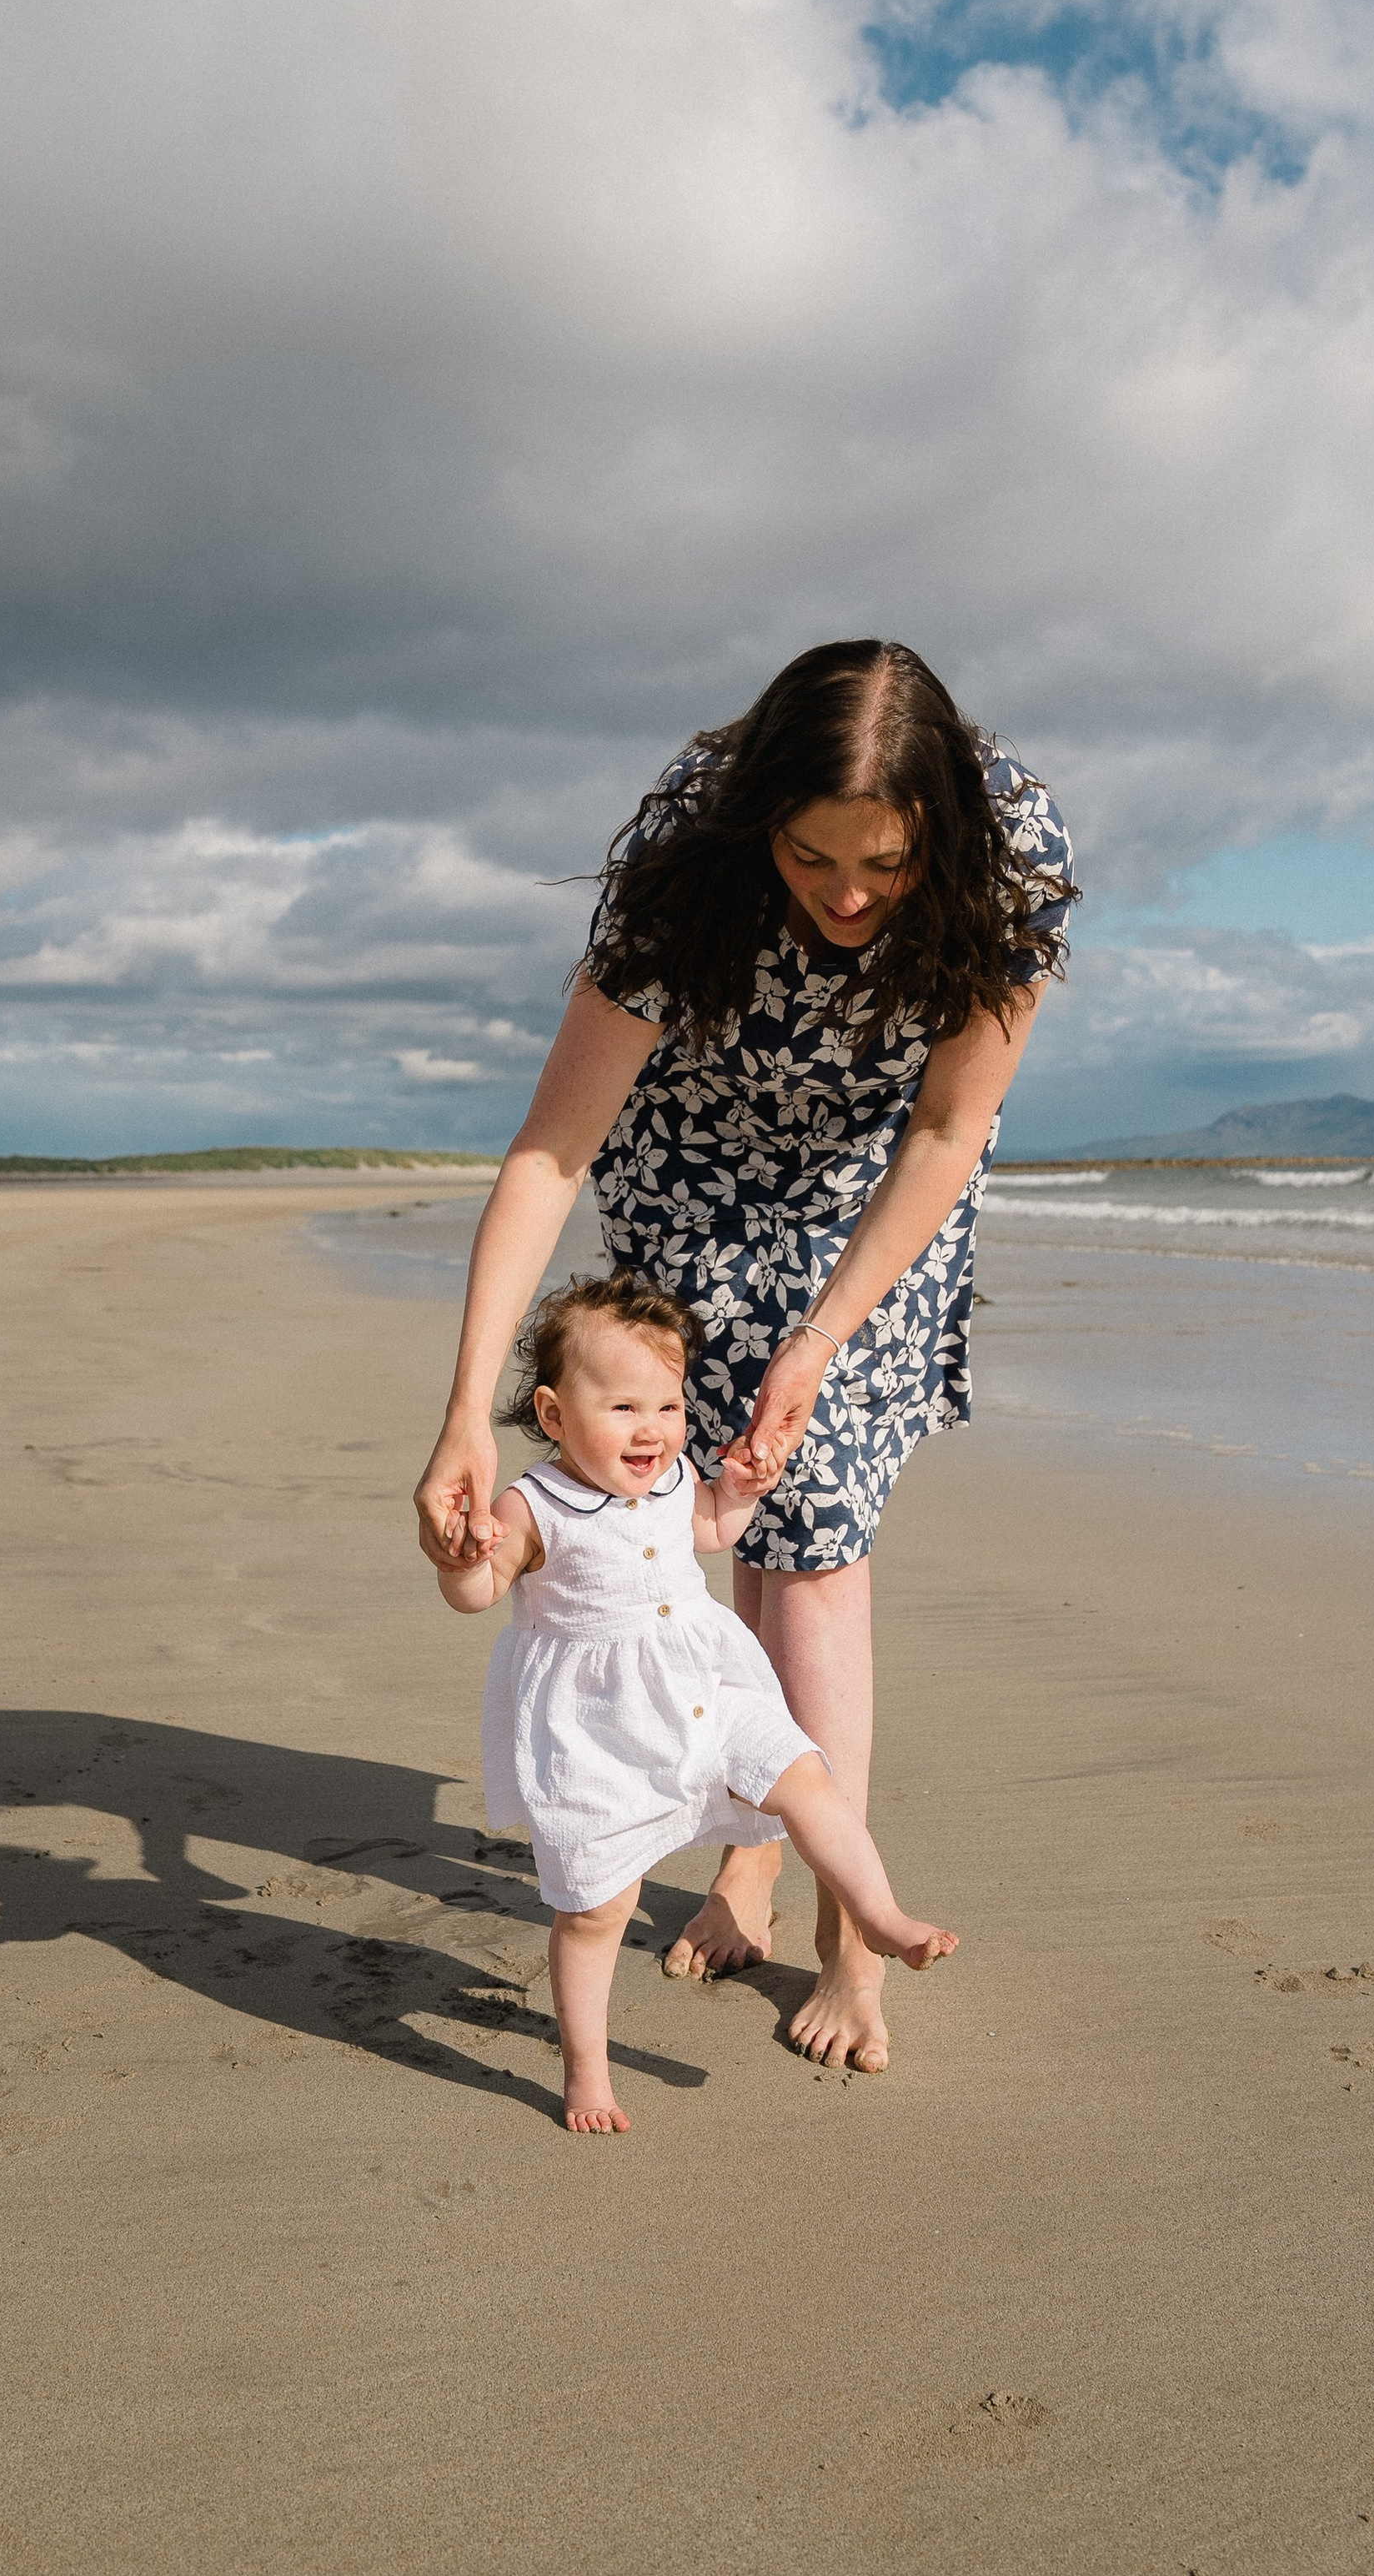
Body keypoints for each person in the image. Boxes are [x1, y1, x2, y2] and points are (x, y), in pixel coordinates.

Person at [413, 637, 1072, 2073]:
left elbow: (951, 1130)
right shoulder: (686, 849)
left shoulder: (1014, 850)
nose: (845, 895)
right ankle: (747, 1858)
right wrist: (466, 1410)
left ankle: (848, 1940)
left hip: (878, 1187)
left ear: (942, 837)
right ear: (756, 819)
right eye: (810, 853)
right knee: (693, 1513)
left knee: (815, 1545)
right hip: (690, 1168)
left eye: (887, 865)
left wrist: (824, 1336)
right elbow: (551, 1147)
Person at [436, 1273, 957, 2132]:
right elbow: (479, 1591)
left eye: (668, 1405)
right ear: (556, 1414)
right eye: (623, 1408)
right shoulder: (532, 1504)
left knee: (802, 1773)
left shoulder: (675, 1474)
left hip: (709, 1688)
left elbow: (708, 1529)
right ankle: (587, 2070)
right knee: (596, 1909)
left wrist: (740, 1493)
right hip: (599, 1732)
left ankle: (875, 1912)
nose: (653, 1428)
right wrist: (463, 1556)